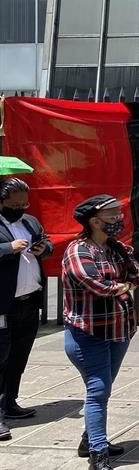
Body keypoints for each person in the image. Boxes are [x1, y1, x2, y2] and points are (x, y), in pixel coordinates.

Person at [62, 195, 139, 470]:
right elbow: (101, 287)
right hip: (87, 335)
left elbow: (137, 277)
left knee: (104, 389)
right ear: (95, 221)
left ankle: (88, 439)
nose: (119, 218)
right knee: (98, 389)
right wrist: (127, 285)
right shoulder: (78, 251)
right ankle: (98, 456)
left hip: (119, 332)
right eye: (112, 214)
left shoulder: (118, 249)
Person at [0, 178, 52, 435]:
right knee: (0, 357)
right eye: (15, 203)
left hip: (29, 300)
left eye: (24, 202)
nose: (21, 207)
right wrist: (7, 248)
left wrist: (44, 248)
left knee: (19, 356)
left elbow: (48, 242)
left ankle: (10, 403)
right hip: (3, 304)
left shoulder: (30, 221)